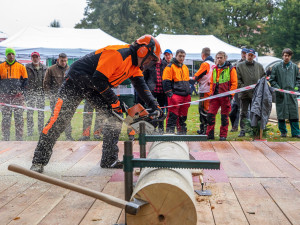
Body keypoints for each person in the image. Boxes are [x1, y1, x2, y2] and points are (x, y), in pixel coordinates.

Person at [30, 35, 163, 173]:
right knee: (58, 120)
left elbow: (141, 85)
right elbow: (99, 79)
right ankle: (38, 161)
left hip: (95, 86)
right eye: (150, 58)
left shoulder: (134, 66)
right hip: (75, 82)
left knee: (115, 116)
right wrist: (114, 101)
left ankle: (109, 159)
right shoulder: (118, 54)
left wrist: (155, 105)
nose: (149, 63)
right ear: (142, 50)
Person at [206, 51, 238, 141]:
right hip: (215, 96)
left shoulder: (231, 69)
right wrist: (211, 94)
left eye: (221, 57)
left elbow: (234, 83)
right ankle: (209, 134)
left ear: (225, 58)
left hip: (225, 97)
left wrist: (231, 95)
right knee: (210, 115)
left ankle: (223, 135)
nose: (219, 59)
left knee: (224, 117)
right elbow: (212, 82)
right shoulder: (215, 69)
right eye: (218, 58)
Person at [269, 48, 300, 138]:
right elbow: (272, 80)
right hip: (280, 94)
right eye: (285, 55)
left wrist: (295, 88)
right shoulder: (276, 67)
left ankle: (296, 132)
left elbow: (298, 79)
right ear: (282, 56)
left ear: (290, 56)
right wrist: (279, 89)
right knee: (281, 114)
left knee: (294, 113)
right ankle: (283, 132)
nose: (286, 57)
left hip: (291, 94)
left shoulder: (294, 67)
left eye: (288, 56)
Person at [43, 53, 74, 141]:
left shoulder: (70, 69)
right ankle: (52, 136)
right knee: (54, 118)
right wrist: (50, 96)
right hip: (55, 99)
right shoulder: (51, 69)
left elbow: (72, 84)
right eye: (62, 61)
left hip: (67, 99)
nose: (64, 62)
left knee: (67, 117)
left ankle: (69, 136)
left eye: (65, 61)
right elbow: (46, 84)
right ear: (58, 60)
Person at [0, 48, 28, 141]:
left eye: (12, 54)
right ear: (6, 55)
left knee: (19, 117)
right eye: (9, 54)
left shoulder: (21, 66)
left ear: (15, 55)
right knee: (6, 118)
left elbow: (25, 81)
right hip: (5, 96)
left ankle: (19, 138)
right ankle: (6, 137)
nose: (11, 56)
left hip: (17, 96)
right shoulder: (1, 66)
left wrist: (22, 93)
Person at [236, 48, 265, 137]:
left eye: (252, 55)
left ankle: (254, 129)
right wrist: (243, 87)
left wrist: (260, 87)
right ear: (246, 55)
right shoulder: (239, 66)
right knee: (243, 112)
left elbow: (263, 77)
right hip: (244, 93)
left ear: (254, 56)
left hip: (256, 94)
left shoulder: (259, 66)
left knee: (255, 112)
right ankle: (243, 130)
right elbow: (237, 79)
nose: (250, 57)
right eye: (248, 55)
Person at [163, 49, 191, 135]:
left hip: (185, 95)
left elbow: (187, 81)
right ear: (176, 56)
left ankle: (181, 131)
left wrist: (188, 93)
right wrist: (170, 94)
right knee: (172, 115)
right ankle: (169, 133)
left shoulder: (185, 67)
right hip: (175, 95)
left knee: (183, 115)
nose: (182, 58)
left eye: (183, 56)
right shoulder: (170, 67)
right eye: (180, 56)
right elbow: (165, 81)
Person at [193, 47, 214, 135]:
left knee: (203, 110)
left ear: (203, 55)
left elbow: (198, 75)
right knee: (209, 110)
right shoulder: (213, 63)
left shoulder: (205, 64)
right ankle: (205, 129)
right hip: (211, 89)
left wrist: (193, 80)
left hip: (205, 90)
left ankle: (205, 130)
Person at [25, 52, 47, 136]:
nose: (35, 58)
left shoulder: (45, 68)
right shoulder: (27, 67)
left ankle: (41, 130)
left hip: (41, 93)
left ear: (39, 58)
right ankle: (30, 131)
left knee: (41, 113)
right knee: (30, 112)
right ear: (31, 58)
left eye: (36, 57)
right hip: (30, 93)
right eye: (33, 57)